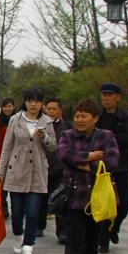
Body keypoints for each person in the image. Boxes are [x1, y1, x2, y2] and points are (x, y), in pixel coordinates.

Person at [57, 99, 120, 254]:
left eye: (84, 116)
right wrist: (91, 156)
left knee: (92, 242)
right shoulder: (67, 135)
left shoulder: (106, 136)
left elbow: (112, 162)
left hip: (97, 199)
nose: (79, 119)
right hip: (74, 197)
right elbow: (64, 155)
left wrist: (83, 163)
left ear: (95, 118)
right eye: (77, 115)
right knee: (74, 242)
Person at [0, 89, 56, 254]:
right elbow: (7, 146)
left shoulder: (47, 122)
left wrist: (44, 137)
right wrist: (1, 172)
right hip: (17, 171)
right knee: (16, 213)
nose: (33, 104)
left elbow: (53, 147)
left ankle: (28, 246)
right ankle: (18, 236)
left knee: (32, 212)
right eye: (30, 101)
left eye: (37, 101)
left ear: (41, 103)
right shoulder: (15, 120)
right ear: (25, 102)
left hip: (38, 172)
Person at [97, 82, 128, 253]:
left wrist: (107, 140)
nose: (106, 98)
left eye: (110, 95)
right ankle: (103, 240)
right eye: (104, 95)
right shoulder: (97, 116)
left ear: (117, 97)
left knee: (125, 202)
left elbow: (127, 137)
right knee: (105, 202)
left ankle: (114, 227)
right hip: (102, 165)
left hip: (122, 164)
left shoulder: (125, 116)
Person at [41, 97, 72, 243]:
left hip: (61, 168)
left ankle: (62, 231)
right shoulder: (40, 125)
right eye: (49, 109)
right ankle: (39, 225)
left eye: (54, 109)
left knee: (61, 198)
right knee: (42, 198)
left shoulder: (67, 126)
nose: (51, 111)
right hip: (43, 167)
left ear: (60, 110)